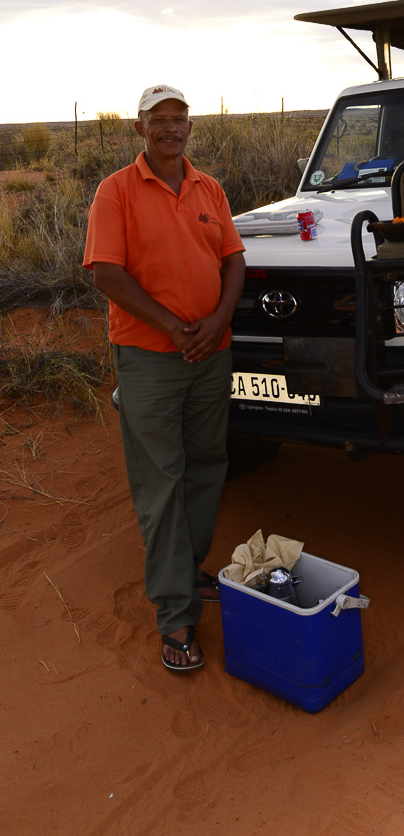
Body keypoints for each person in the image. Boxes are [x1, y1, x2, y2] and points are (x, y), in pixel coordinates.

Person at [83, 85, 245, 672]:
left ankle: (187, 567)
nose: (171, 128)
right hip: (150, 357)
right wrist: (175, 328)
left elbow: (233, 259)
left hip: (211, 352)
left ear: (190, 128)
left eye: (180, 119)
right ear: (140, 128)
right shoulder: (116, 190)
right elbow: (107, 273)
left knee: (206, 465)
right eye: (159, 119)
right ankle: (176, 615)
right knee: (161, 481)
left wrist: (218, 320)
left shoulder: (210, 189)